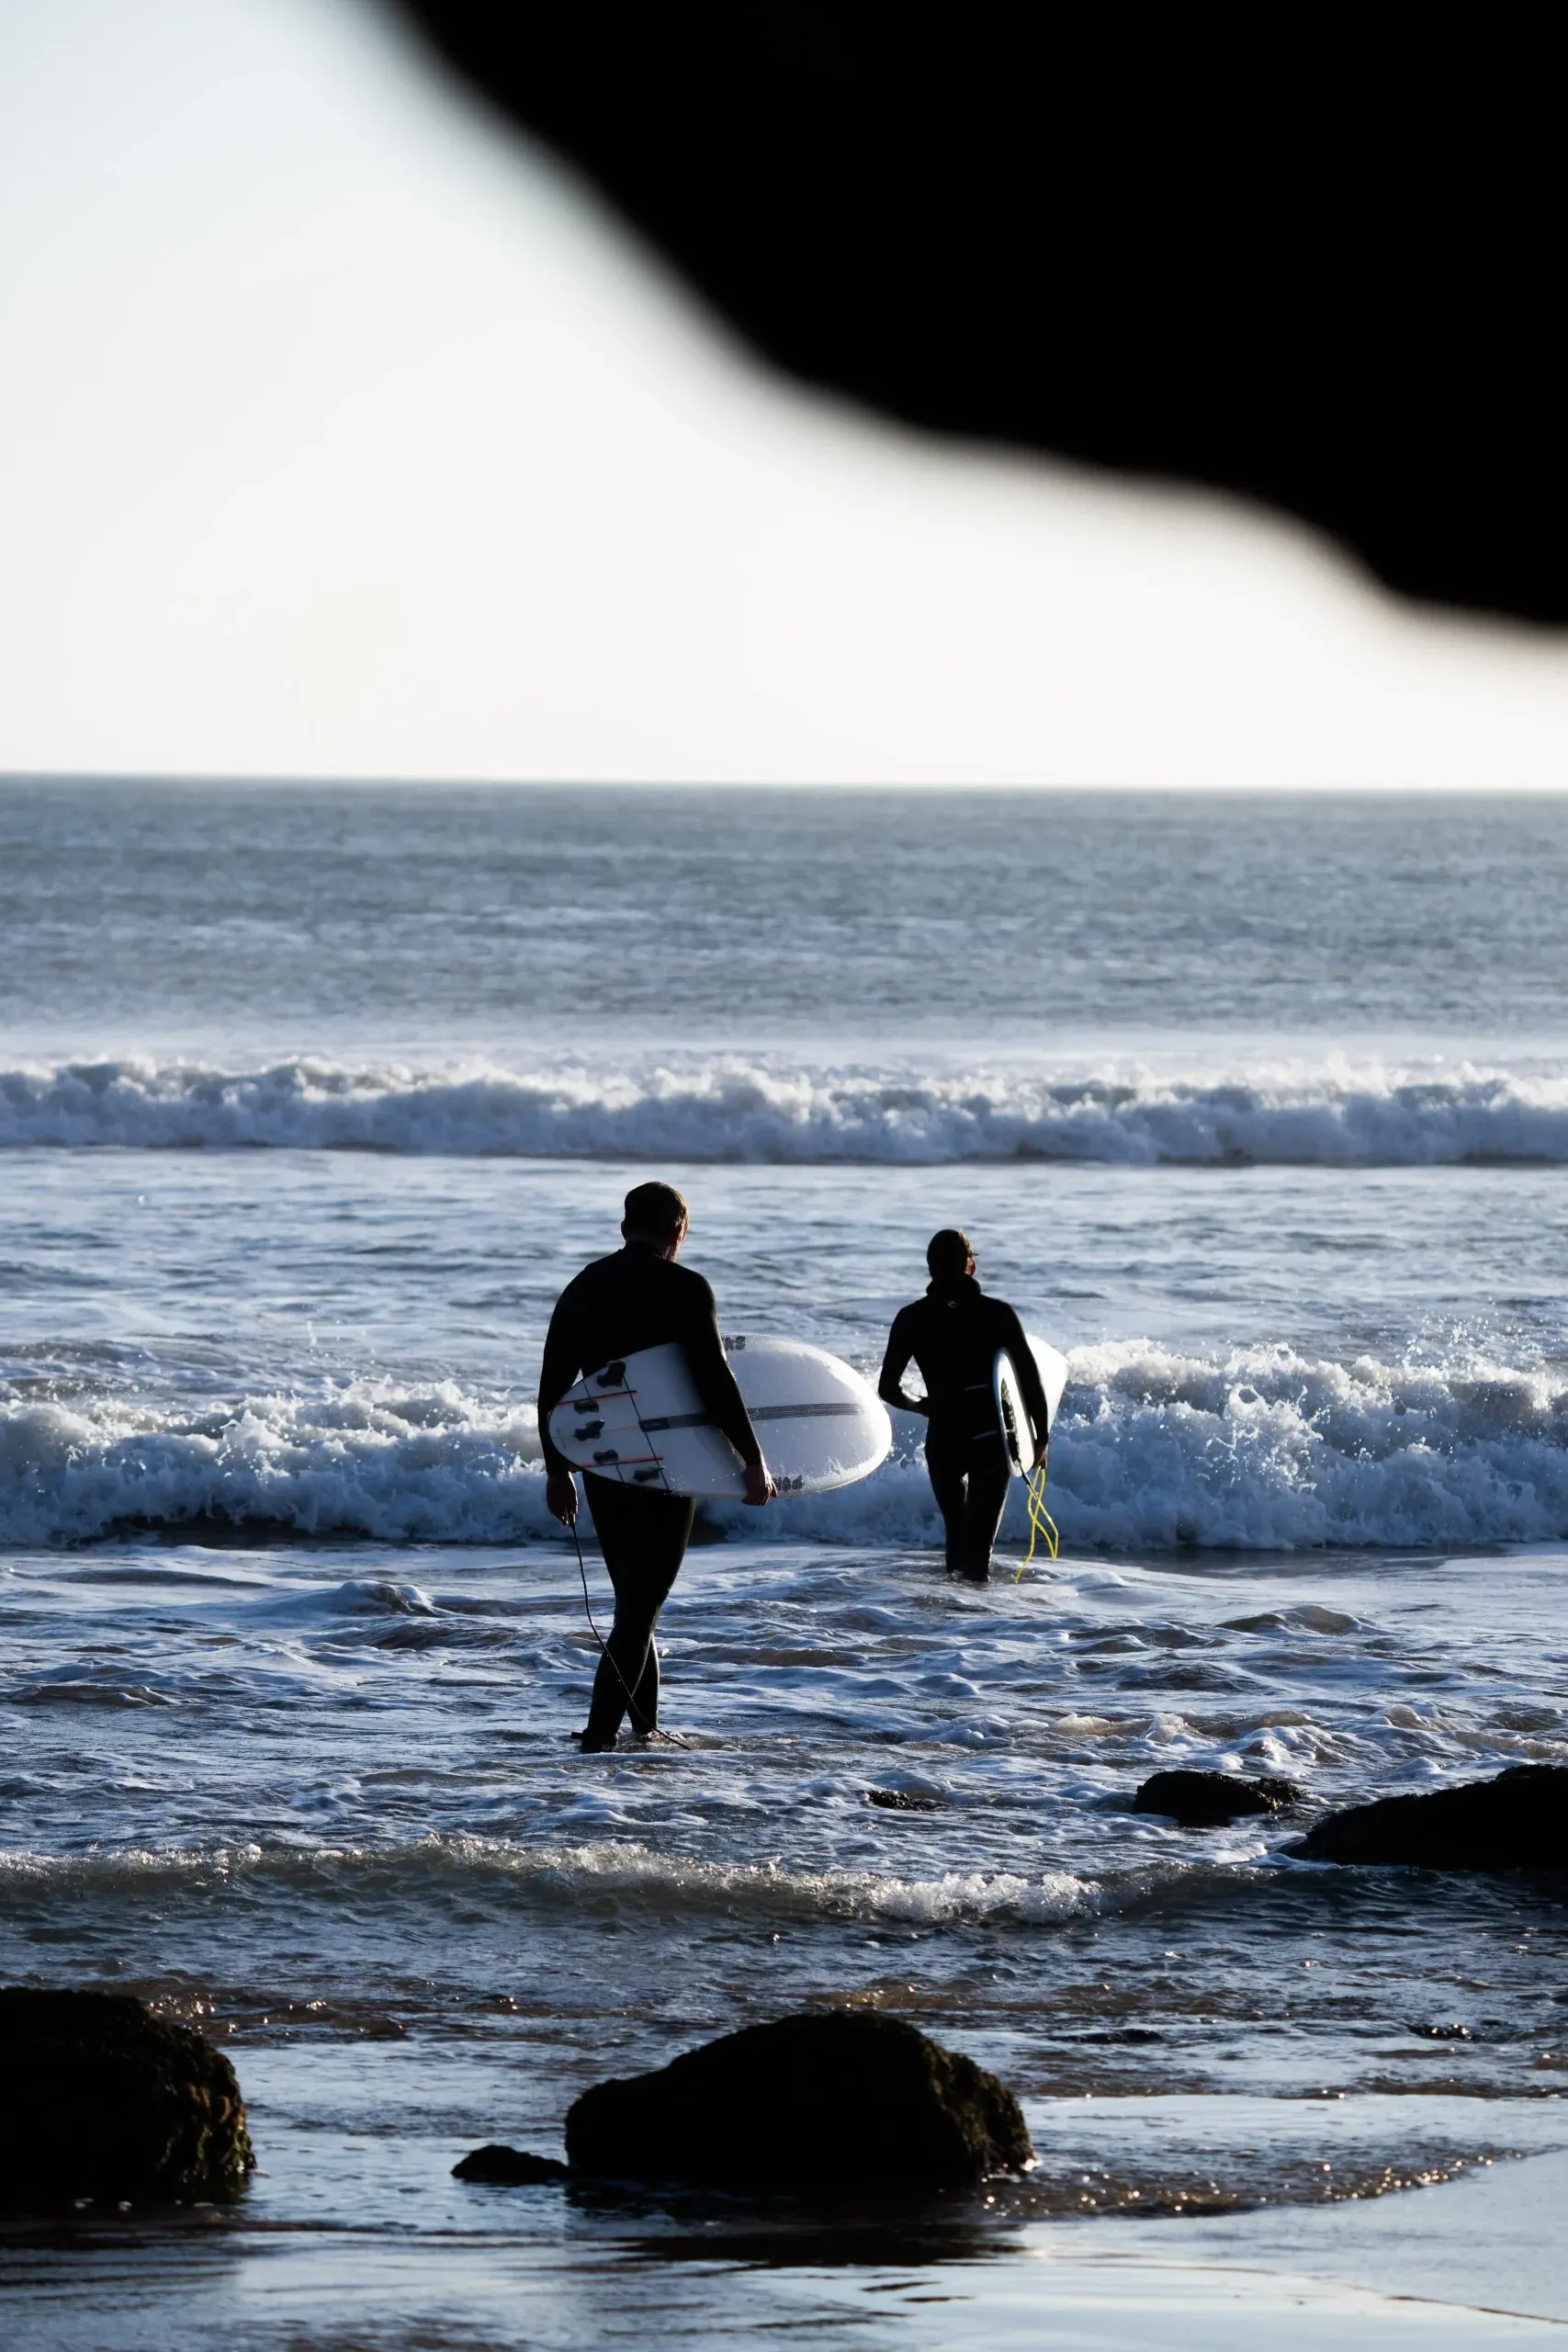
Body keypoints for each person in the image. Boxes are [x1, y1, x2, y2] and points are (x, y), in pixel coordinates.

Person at [538, 1181, 774, 1749]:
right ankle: (597, 1739)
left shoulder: (582, 1287)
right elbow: (713, 1379)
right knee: (640, 1611)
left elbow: (552, 1388)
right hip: (670, 1465)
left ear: (625, 1228)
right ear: (679, 1233)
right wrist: (752, 1458)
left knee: (634, 1605)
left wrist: (557, 1468)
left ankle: (645, 1734)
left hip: (606, 1462)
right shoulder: (686, 1287)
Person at [878, 1228, 1050, 1582]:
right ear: (970, 1267)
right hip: (990, 1436)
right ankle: (973, 1625)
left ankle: (949, 1625)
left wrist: (923, 1406)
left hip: (944, 1436)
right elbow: (1030, 1381)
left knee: (957, 1530)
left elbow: (888, 1388)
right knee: (979, 1551)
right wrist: (1040, 1436)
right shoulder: (998, 1314)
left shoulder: (911, 1318)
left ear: (930, 1270)